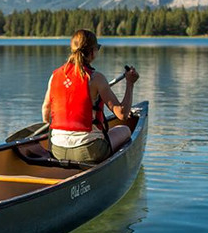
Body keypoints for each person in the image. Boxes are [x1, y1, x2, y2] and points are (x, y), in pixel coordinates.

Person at [41, 29, 139, 164]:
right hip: (88, 151)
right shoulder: (96, 78)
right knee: (125, 130)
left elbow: (46, 109)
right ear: (92, 52)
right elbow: (122, 114)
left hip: (57, 150)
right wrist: (130, 84)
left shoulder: (55, 76)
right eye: (97, 48)